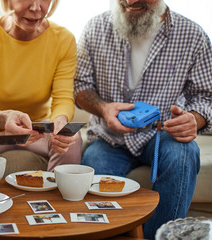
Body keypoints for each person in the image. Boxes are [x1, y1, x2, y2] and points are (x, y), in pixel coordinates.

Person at [74, 0, 212, 238]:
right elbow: (80, 86)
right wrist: (105, 109)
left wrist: (193, 119)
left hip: (163, 135)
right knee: (95, 165)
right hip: (108, 137)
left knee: (185, 154)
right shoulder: (94, 28)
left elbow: (205, 97)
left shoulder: (193, 35)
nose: (129, 1)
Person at [0, 0, 82, 172]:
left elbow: (63, 98)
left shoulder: (64, 38)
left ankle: (56, 198)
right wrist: (3, 119)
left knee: (71, 137)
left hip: (38, 130)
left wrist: (60, 121)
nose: (35, 8)